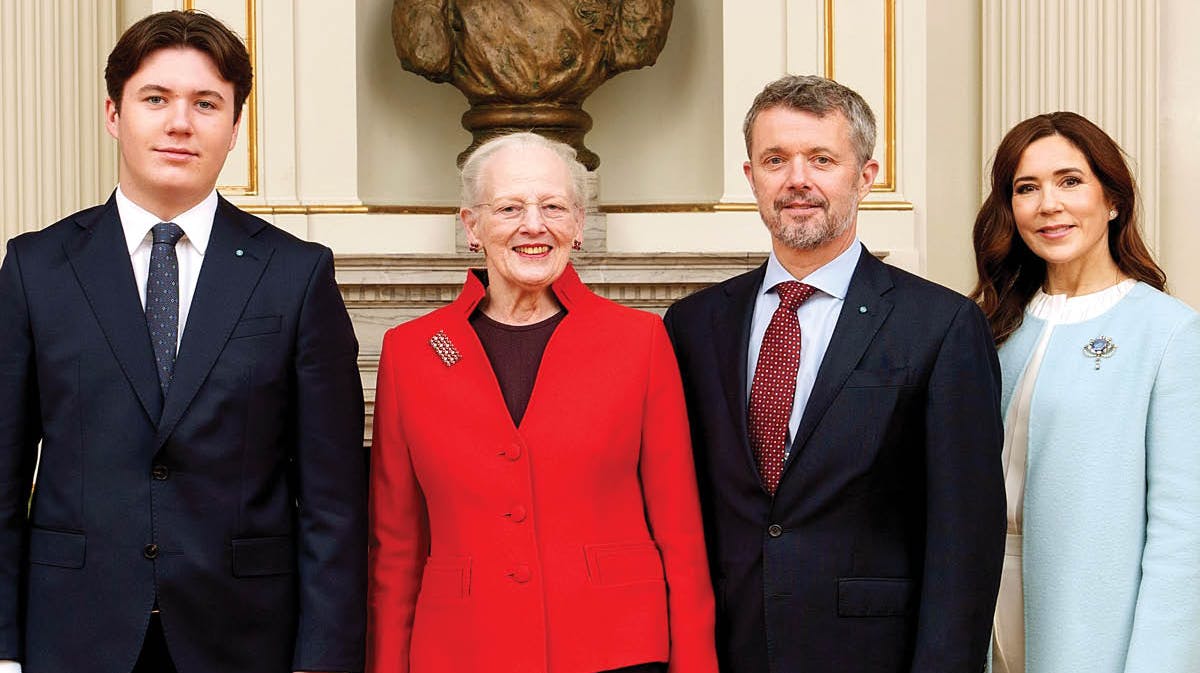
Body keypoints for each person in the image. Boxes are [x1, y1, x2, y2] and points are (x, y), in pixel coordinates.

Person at [0, 10, 367, 673]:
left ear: (234, 127)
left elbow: (332, 501)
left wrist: (324, 658)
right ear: (113, 114)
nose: (180, 123)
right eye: (155, 99)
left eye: (206, 103)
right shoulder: (36, 268)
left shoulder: (296, 274)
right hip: (72, 634)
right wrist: (2, 647)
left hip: (247, 639)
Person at [663, 74, 1006, 673]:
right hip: (726, 646)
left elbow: (966, 542)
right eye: (776, 160)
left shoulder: (942, 325)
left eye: (822, 158)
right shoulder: (693, 325)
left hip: (873, 655)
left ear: (865, 176)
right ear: (751, 179)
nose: (798, 179)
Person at [367, 132, 717, 673]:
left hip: (616, 648)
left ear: (577, 225)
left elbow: (681, 531)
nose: (534, 225)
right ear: (472, 227)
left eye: (553, 206)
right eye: (509, 207)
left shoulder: (639, 341)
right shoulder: (412, 351)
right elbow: (396, 546)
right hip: (462, 649)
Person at [971, 111, 1200, 673]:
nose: (1049, 204)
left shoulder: (1168, 331)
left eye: (1070, 181)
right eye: (1027, 188)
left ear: (1113, 199)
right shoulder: (986, 327)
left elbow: (1183, 529)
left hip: (1095, 616)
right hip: (983, 602)